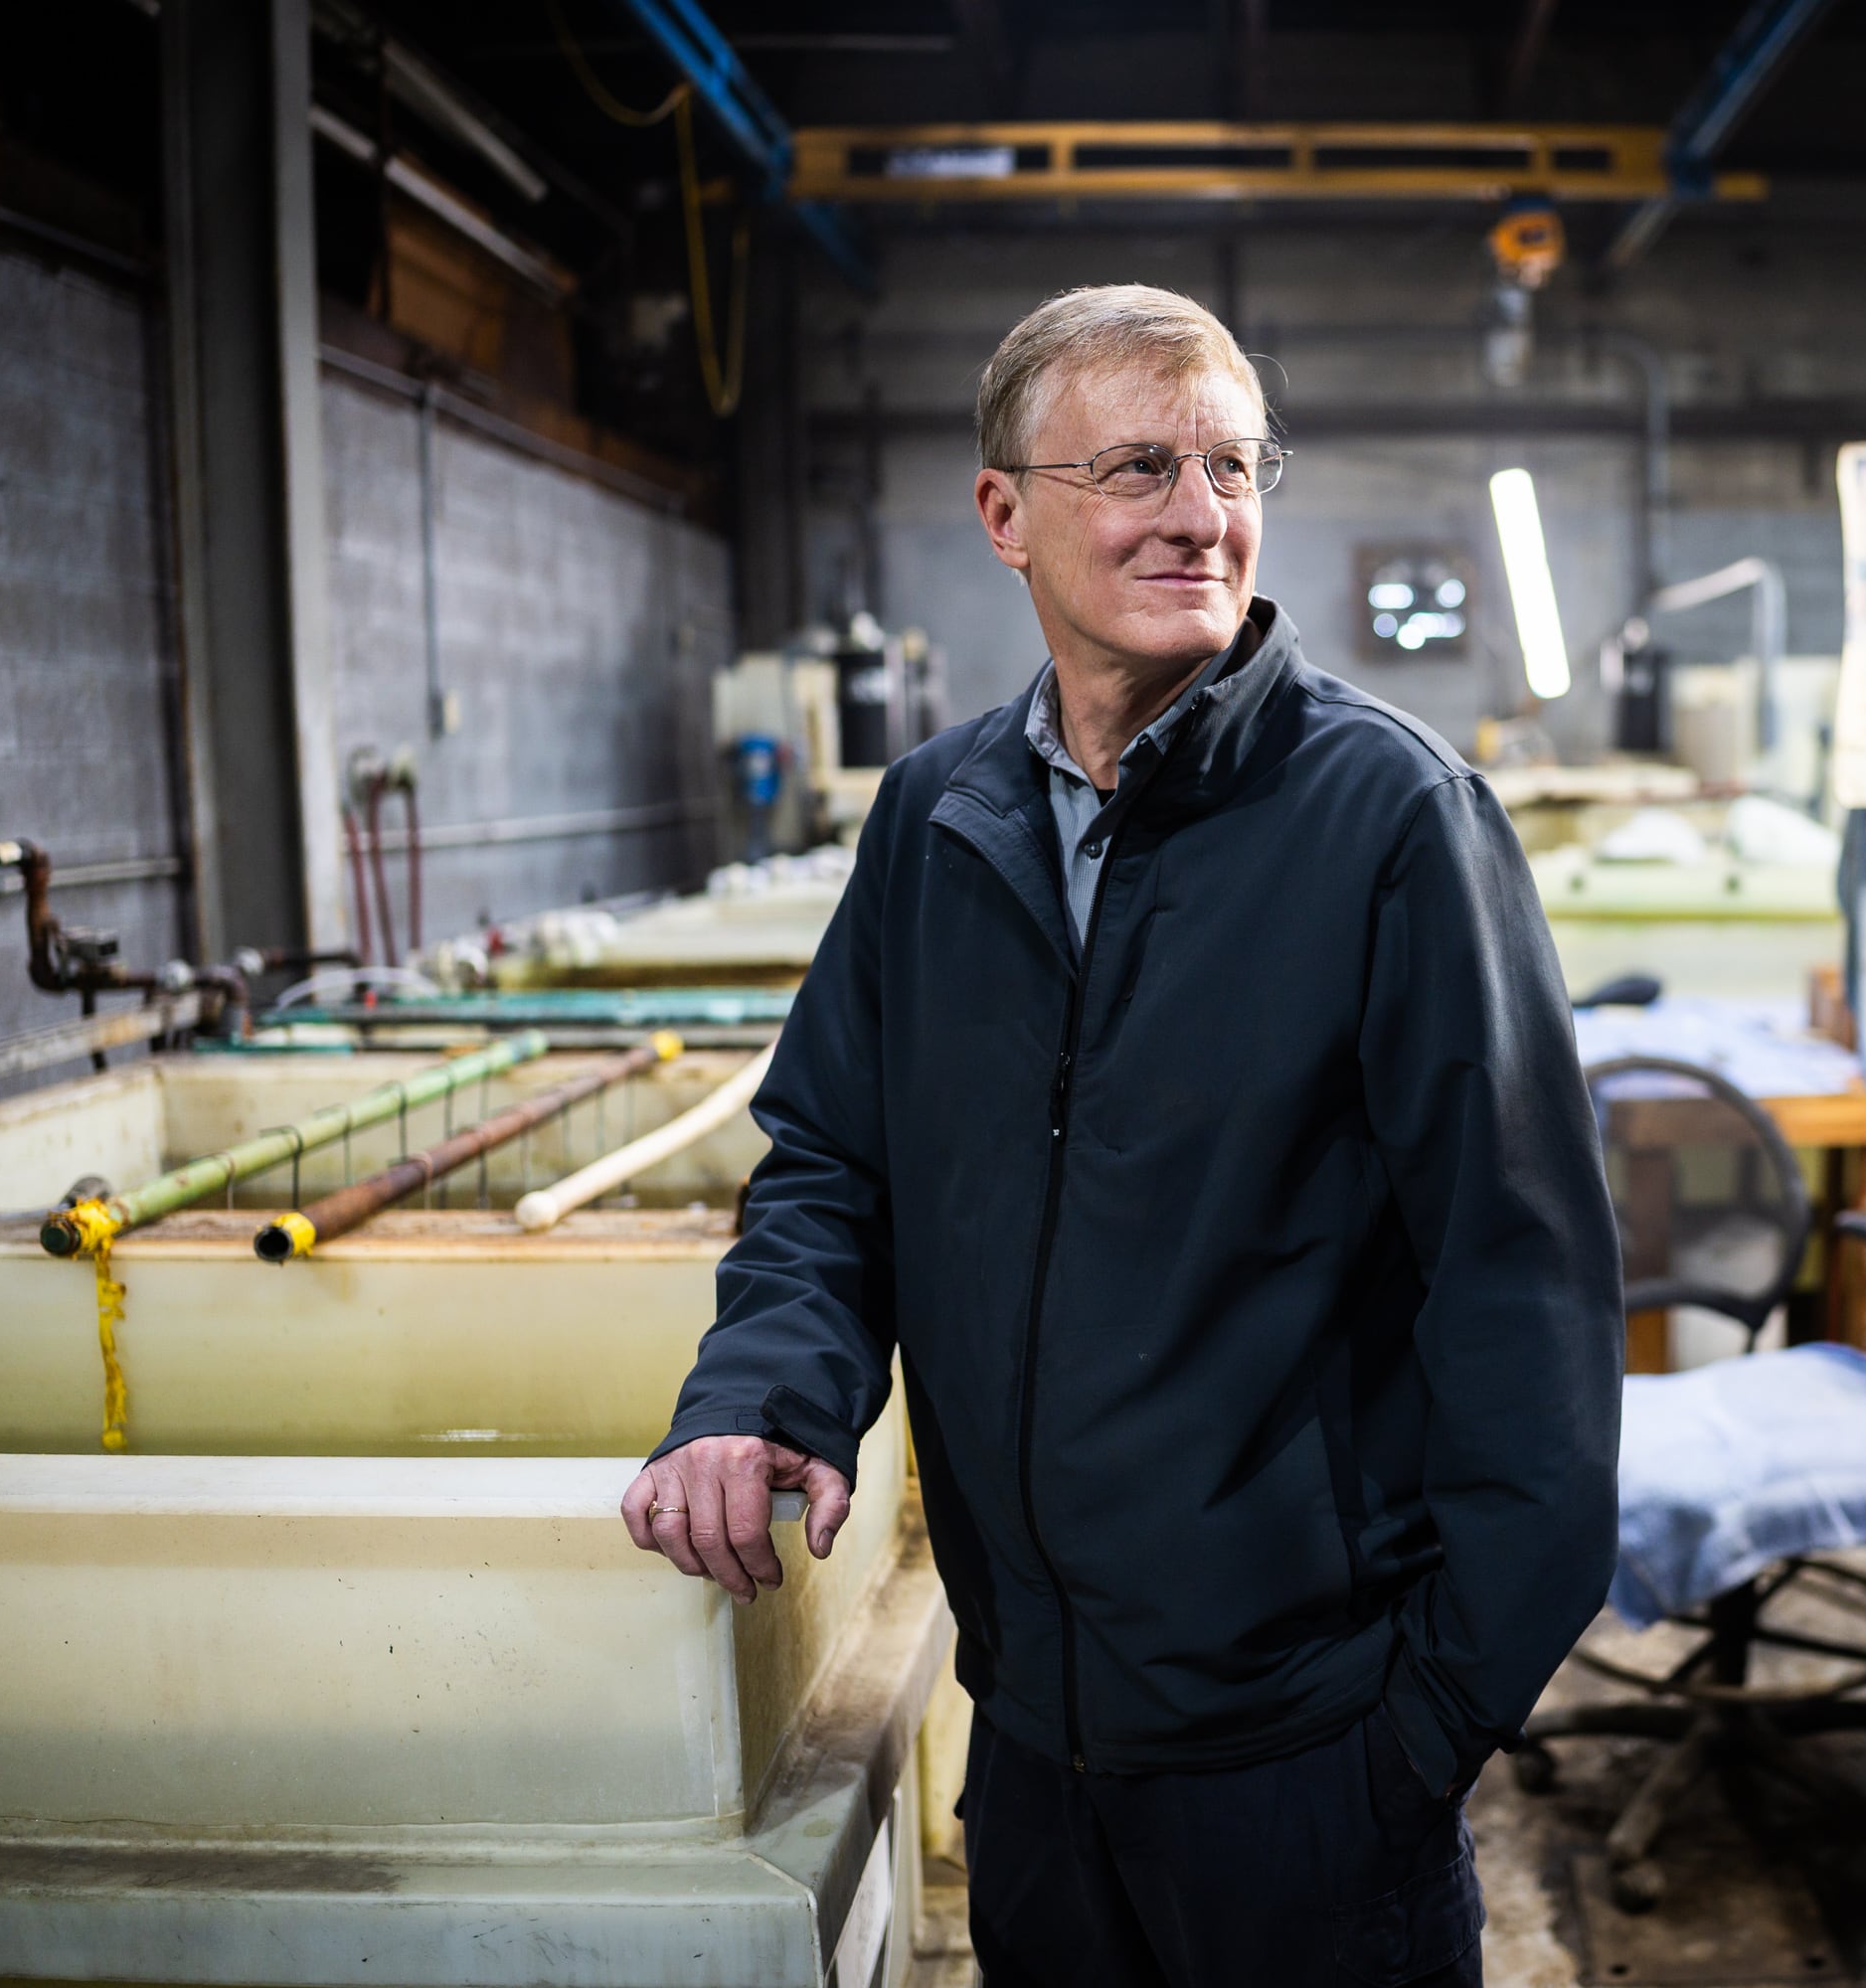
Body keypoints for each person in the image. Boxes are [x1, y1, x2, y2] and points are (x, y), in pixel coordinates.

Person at [623, 283, 1621, 1987]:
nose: (1200, 512)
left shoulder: (1391, 819)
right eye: (1142, 465)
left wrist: (1425, 1731)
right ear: (1005, 512)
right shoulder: (937, 821)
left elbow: (1521, 1291)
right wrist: (758, 1396)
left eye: (1233, 466)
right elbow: (832, 1166)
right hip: (1032, 1738)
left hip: (1310, 1760)